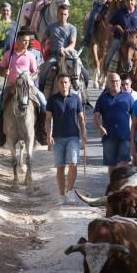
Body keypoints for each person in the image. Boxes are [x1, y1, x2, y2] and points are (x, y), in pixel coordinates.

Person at [0, 31, 47, 147]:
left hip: (27, 86)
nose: (26, 43)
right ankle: (0, 134)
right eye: (24, 41)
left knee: (43, 102)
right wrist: (4, 72)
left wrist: (34, 75)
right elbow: (0, 70)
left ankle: (41, 131)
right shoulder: (9, 54)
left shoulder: (30, 56)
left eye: (28, 41)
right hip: (11, 86)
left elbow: (35, 72)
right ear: (17, 41)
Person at [46, 73, 87, 205]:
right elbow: (48, 119)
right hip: (58, 138)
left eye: (66, 82)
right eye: (62, 82)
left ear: (70, 84)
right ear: (58, 84)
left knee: (73, 164)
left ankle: (70, 190)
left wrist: (84, 132)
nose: (64, 85)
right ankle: (62, 195)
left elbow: (81, 118)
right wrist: (48, 134)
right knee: (60, 167)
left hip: (73, 136)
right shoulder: (52, 99)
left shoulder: (75, 99)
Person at [94, 73, 135, 174]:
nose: (115, 83)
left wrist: (135, 133)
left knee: (124, 162)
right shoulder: (103, 98)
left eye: (117, 81)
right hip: (109, 137)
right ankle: (113, 185)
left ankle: (121, 184)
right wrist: (99, 127)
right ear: (108, 83)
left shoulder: (128, 97)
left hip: (125, 136)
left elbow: (135, 117)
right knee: (111, 164)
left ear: (120, 82)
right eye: (112, 81)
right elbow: (96, 116)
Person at [38, 4, 77, 92]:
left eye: (65, 14)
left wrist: (65, 49)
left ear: (68, 14)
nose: (63, 16)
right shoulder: (51, 27)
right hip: (54, 56)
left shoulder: (72, 28)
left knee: (83, 73)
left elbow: (72, 43)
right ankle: (41, 94)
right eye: (61, 14)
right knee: (43, 73)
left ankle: (84, 100)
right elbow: (43, 40)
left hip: (68, 55)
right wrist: (42, 51)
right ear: (57, 14)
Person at [0, 1, 16, 103]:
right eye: (4, 10)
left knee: (10, 75)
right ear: (0, 11)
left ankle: (10, 94)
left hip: (10, 54)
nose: (6, 12)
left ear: (11, 12)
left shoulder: (15, 24)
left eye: (7, 10)